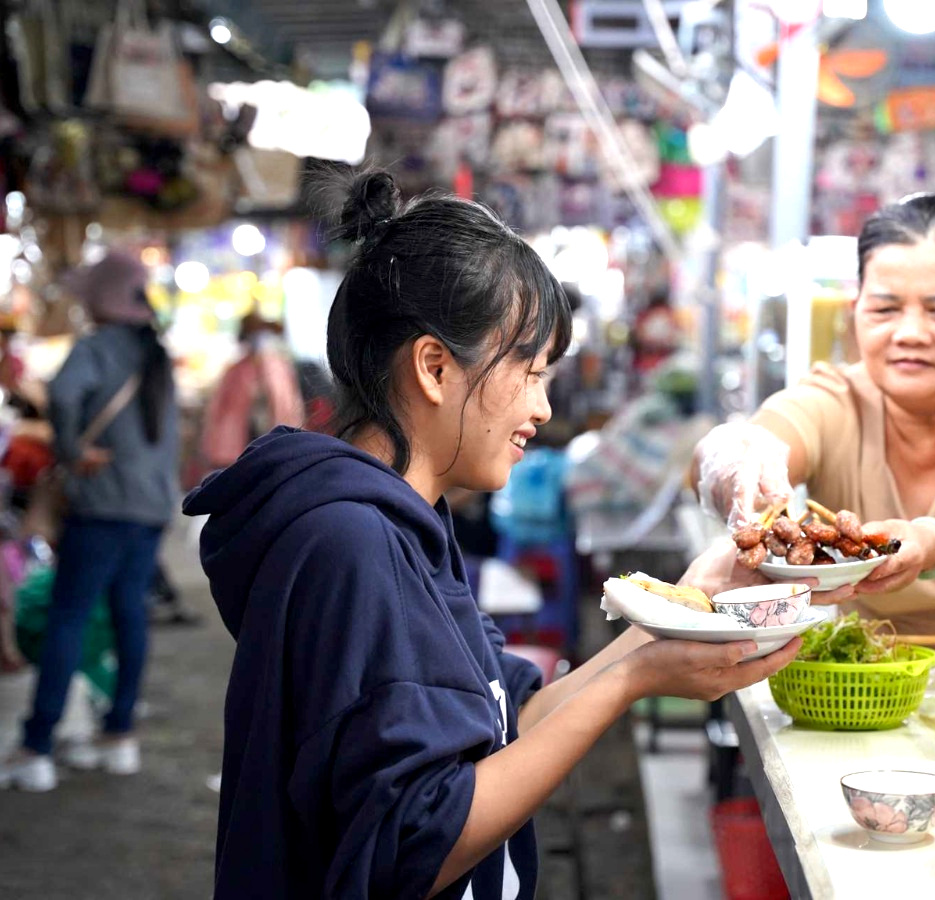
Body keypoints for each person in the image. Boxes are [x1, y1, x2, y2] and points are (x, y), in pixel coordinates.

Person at [180, 172, 799, 900]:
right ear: (435, 367)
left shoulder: (404, 520)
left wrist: (677, 609)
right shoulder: (349, 544)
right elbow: (414, 846)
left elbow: (511, 722)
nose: (540, 408)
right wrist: (636, 677)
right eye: (530, 372)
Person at [689, 193, 935, 644]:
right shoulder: (835, 399)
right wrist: (732, 453)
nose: (911, 333)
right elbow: (757, 441)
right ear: (854, 313)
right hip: (866, 689)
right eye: (885, 309)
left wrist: (930, 540)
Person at [0, 250, 179, 792]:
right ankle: (118, 736)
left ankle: (36, 747)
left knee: (68, 618)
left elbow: (59, 392)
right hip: (149, 508)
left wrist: (74, 447)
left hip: (101, 505)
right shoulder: (157, 355)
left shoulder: (96, 348)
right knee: (129, 616)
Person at [199, 310, 304, 471]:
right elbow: (220, 413)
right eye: (253, 334)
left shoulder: (279, 368)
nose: (258, 340)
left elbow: (290, 406)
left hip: (275, 442)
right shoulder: (236, 371)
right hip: (238, 446)